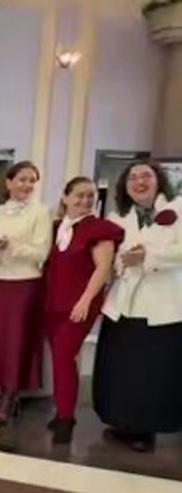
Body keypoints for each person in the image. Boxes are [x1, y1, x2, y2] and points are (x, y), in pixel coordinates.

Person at [94, 160, 182, 453]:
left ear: (159, 180)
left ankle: (146, 429)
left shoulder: (179, 209)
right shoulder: (119, 217)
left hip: (161, 305)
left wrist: (148, 257)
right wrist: (122, 261)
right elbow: (113, 258)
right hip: (123, 303)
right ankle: (122, 421)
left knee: (153, 372)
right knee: (121, 369)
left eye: (146, 176)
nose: (139, 182)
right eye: (133, 177)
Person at [43, 176, 122, 445]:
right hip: (52, 302)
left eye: (90, 196)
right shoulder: (57, 227)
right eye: (79, 195)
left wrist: (86, 300)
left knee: (64, 355)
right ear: (65, 198)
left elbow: (103, 268)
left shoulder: (100, 229)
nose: (86, 200)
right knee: (60, 358)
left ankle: (66, 418)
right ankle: (62, 411)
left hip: (79, 304)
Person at [0, 161, 52, 423]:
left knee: (17, 340)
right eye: (22, 179)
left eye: (32, 180)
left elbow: (41, 253)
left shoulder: (41, 212)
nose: (27, 185)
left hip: (25, 282)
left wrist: (12, 246)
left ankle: (10, 395)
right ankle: (3, 392)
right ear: (9, 182)